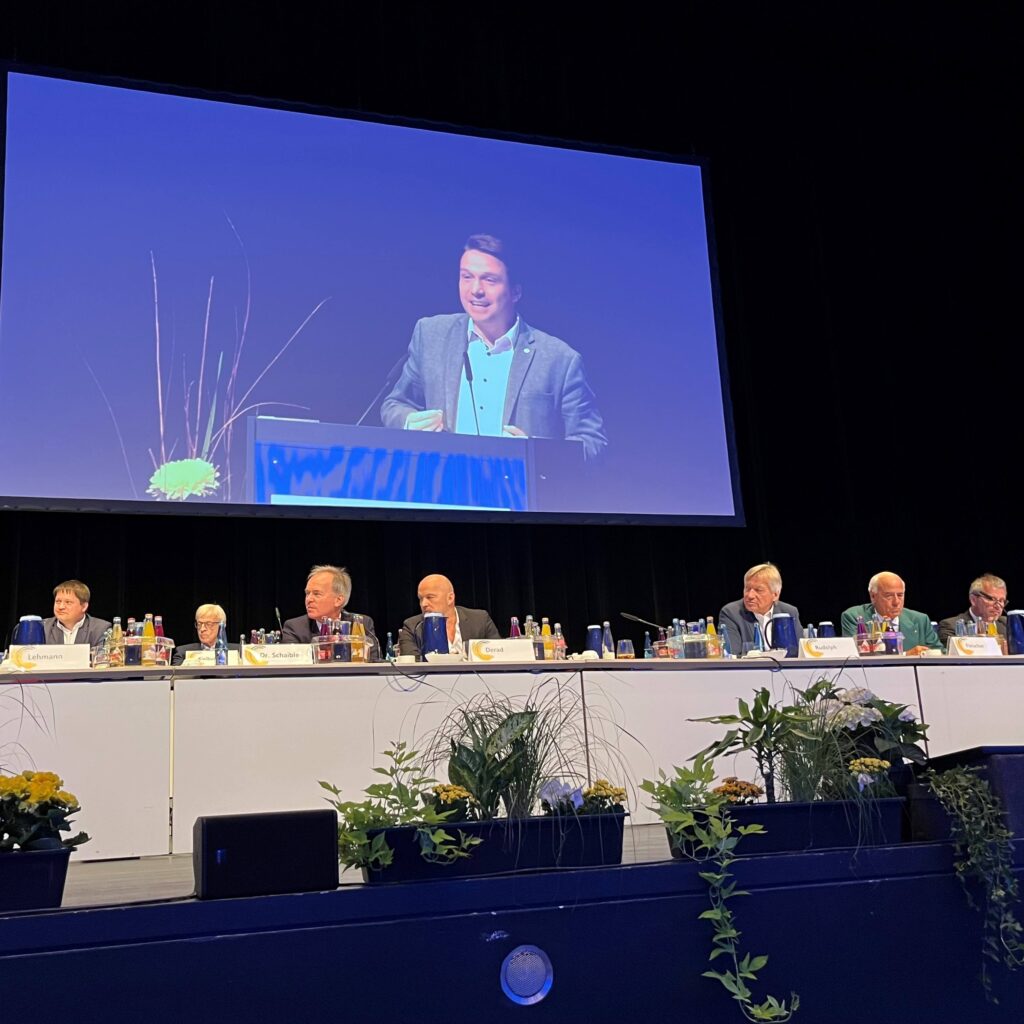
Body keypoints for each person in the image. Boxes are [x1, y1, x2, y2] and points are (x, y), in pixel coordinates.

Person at [380, 234, 607, 460]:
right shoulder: (431, 335)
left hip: (517, 483)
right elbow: (396, 403)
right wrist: (408, 422)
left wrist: (535, 453)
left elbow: (593, 443)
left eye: (489, 280)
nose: (475, 290)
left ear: (515, 292)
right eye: (467, 277)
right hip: (444, 479)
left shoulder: (559, 360)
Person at [281, 564, 379, 659]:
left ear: (338, 600)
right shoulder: (295, 628)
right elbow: (292, 664)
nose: (308, 599)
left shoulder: (361, 624)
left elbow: (374, 662)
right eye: (307, 593)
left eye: (316, 594)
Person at [397, 574, 500, 658]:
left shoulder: (480, 619)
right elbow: (412, 663)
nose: (423, 604)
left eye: (430, 597)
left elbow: (499, 654)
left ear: (450, 598)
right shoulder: (412, 626)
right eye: (420, 598)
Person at [840, 571, 941, 655]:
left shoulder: (920, 619)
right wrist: (905, 655)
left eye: (900, 595)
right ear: (873, 596)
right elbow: (855, 656)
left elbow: (940, 653)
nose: (896, 602)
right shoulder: (854, 617)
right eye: (889, 596)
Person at [718, 563, 803, 651]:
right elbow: (732, 653)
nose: (750, 595)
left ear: (775, 595)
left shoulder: (789, 612)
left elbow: (799, 650)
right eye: (747, 588)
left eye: (758, 590)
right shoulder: (731, 613)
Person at [937, 573, 1008, 646]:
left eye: (1001, 600)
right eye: (992, 599)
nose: (998, 606)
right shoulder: (951, 626)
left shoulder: (1007, 624)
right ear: (973, 600)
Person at [42, 579, 111, 646]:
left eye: (68, 602)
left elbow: (102, 653)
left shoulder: (100, 629)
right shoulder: (42, 627)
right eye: (58, 601)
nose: (61, 607)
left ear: (84, 606)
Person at [172, 603, 239, 665]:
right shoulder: (183, 653)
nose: (202, 629)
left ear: (222, 626)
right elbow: (176, 673)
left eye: (208, 624)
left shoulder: (238, 652)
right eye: (199, 624)